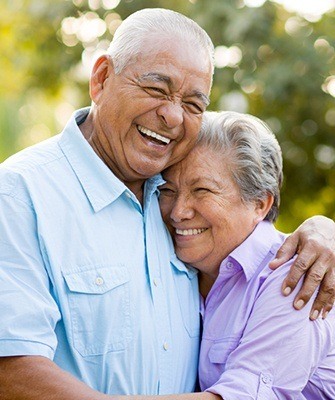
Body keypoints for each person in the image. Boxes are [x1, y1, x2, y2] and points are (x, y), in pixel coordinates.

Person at [0, 8, 334, 400]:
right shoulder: (21, 193)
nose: (172, 115)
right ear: (102, 78)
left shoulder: (168, 190)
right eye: (157, 89)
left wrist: (321, 227)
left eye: (193, 103)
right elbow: (13, 370)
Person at [119, 110, 334, 400]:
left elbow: (244, 395)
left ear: (260, 203)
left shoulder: (295, 275)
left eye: (203, 190)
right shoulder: (177, 267)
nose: (179, 212)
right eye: (168, 191)